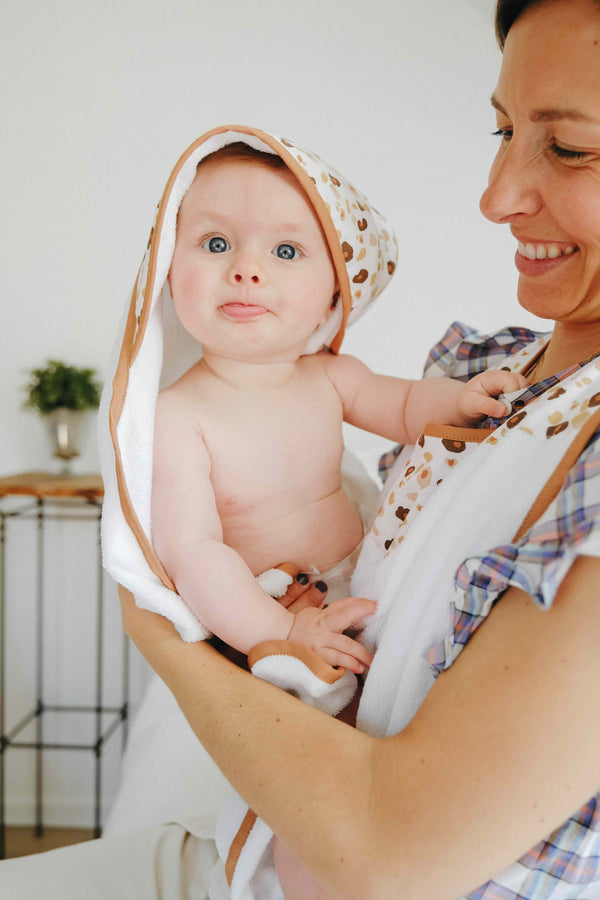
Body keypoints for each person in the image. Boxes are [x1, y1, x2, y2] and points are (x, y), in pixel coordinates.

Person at [3, 0, 600, 897]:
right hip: (270, 723)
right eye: (503, 128)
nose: (494, 195)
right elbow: (403, 420)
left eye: (569, 145)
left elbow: (387, 852)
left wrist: (161, 637)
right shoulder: (481, 372)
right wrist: (268, 626)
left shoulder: (342, 378)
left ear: (331, 289)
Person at [151, 140, 525, 674]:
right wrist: (281, 634)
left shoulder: (331, 377)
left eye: (285, 251)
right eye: (215, 242)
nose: (246, 269)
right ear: (166, 269)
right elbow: (193, 552)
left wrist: (461, 400)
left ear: (334, 296)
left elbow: (405, 407)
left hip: (370, 582)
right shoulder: (177, 417)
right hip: (267, 613)